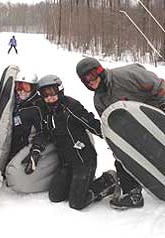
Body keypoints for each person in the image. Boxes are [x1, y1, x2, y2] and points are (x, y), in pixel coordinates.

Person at [76, 57, 165, 209]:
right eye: (85, 80)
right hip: (135, 130)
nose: (90, 81)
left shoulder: (128, 75)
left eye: (91, 75)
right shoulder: (99, 100)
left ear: (99, 70)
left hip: (157, 116)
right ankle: (132, 193)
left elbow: (159, 86)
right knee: (123, 158)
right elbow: (111, 125)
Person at [36, 74, 117, 210]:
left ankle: (108, 180)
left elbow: (91, 124)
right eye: (45, 94)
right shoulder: (46, 112)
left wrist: (113, 138)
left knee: (76, 203)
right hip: (67, 164)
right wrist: (37, 149)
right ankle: (80, 185)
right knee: (55, 196)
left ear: (60, 90)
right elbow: (44, 133)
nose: (49, 97)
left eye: (52, 92)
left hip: (84, 161)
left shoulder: (70, 107)